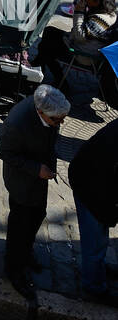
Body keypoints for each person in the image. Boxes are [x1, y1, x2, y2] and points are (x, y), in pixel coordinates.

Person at [0, 84, 71, 299]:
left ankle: (26, 251)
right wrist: (37, 170)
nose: (60, 123)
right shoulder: (17, 123)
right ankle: (14, 269)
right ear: (41, 113)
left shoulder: (48, 112)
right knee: (20, 225)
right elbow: (1, 150)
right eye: (56, 120)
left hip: (39, 178)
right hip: (23, 182)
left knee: (37, 215)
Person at [68, 117, 118, 307]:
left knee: (99, 237)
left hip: (93, 178)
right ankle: (94, 286)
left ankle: (98, 269)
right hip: (91, 188)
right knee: (94, 242)